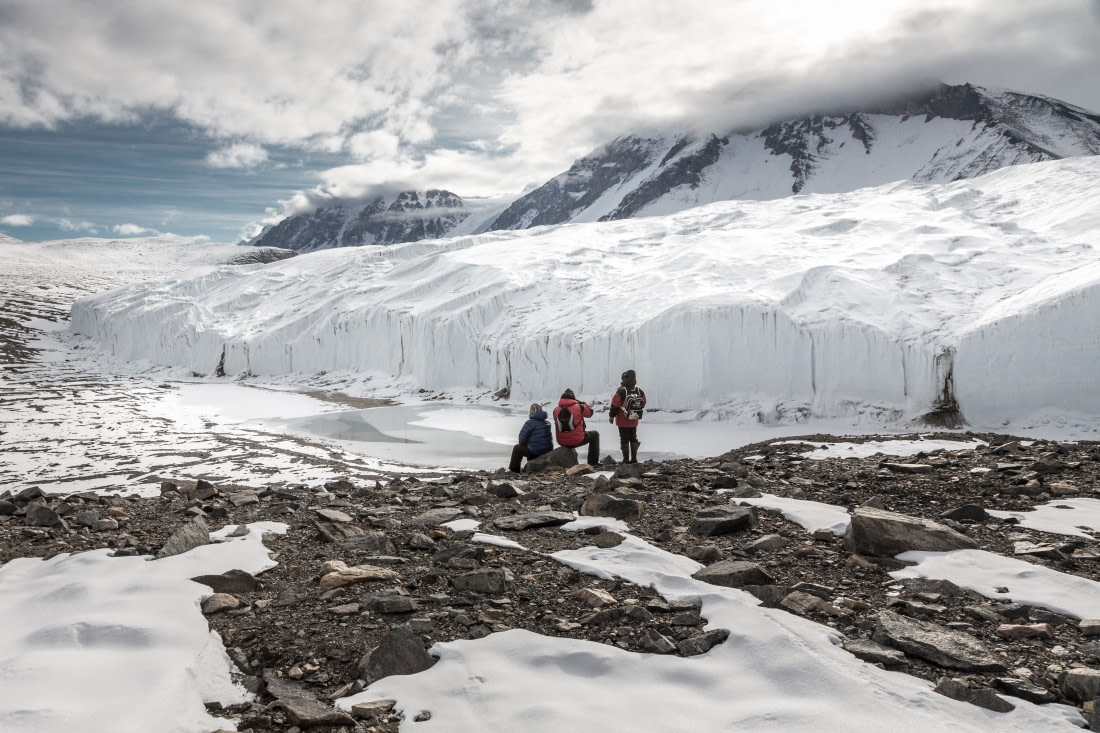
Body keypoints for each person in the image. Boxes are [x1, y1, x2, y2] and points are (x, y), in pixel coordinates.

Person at [552, 388, 600, 466]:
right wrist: (583, 404)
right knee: (595, 435)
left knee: (569, 434)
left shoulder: (555, 410)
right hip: (577, 440)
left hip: (561, 442)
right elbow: (590, 413)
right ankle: (593, 462)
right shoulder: (579, 407)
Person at [608, 369, 646, 463]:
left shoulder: (621, 390)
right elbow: (643, 403)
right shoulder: (638, 390)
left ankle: (625, 459)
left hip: (622, 419)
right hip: (634, 417)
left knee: (624, 438)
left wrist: (611, 416)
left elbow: (615, 404)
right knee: (633, 437)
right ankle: (634, 459)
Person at [509, 403, 553, 472]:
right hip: (547, 451)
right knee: (531, 445)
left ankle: (514, 470)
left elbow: (521, 439)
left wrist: (525, 443)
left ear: (532, 412)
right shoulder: (547, 423)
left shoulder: (530, 423)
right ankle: (531, 468)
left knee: (517, 448)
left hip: (536, 451)